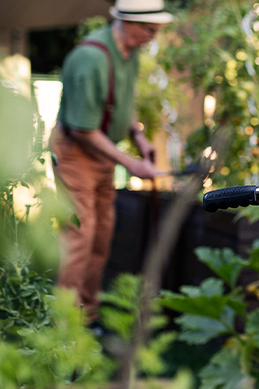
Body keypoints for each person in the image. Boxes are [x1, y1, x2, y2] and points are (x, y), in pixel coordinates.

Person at [50, 0, 172, 322]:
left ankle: (87, 317)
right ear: (128, 23)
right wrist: (131, 164)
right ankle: (62, 326)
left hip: (104, 152)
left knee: (102, 236)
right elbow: (82, 129)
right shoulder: (91, 58)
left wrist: (139, 137)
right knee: (79, 237)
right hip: (76, 153)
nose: (152, 37)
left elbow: (122, 102)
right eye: (150, 30)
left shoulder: (128, 54)